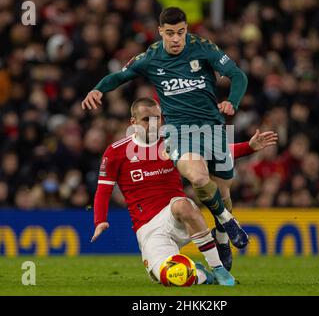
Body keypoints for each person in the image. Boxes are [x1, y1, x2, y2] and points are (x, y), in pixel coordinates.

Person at [82, 7, 250, 267]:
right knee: (197, 177)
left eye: (180, 33)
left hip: (213, 128)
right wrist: (97, 89)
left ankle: (221, 233)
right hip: (180, 132)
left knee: (223, 192)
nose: (175, 39)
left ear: (186, 31)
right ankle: (228, 222)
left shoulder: (203, 48)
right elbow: (120, 76)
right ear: (160, 31)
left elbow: (237, 75)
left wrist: (233, 102)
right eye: (170, 33)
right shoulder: (150, 57)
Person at [90, 97, 278, 284]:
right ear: (133, 122)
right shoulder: (116, 152)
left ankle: (219, 269)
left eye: (158, 118)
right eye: (147, 120)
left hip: (177, 214)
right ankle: (202, 273)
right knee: (173, 277)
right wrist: (100, 220)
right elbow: (103, 190)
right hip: (148, 228)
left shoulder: (173, 140)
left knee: (182, 204)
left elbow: (214, 151)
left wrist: (249, 147)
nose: (154, 124)